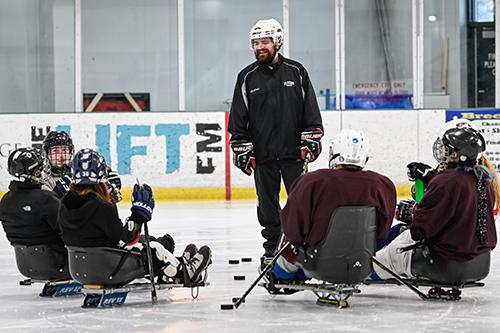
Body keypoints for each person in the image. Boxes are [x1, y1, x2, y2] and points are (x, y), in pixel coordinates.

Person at [228, 18, 324, 265]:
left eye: (265, 41)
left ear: (277, 42)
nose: (260, 46)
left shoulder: (297, 71)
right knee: (267, 207)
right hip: (263, 156)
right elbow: (239, 117)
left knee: (300, 203)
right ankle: (272, 248)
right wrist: (240, 146)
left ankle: (302, 246)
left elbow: (310, 111)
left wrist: (312, 136)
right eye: (256, 42)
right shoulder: (247, 77)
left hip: (294, 156)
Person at [264, 129, 396, 292]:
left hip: (318, 263)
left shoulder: (311, 181)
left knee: (290, 237)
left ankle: (282, 275)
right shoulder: (383, 184)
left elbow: (293, 229)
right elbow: (382, 233)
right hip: (361, 264)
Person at [58, 148, 212, 286]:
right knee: (155, 248)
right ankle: (184, 271)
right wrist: (139, 215)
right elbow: (127, 239)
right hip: (107, 269)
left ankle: (174, 263)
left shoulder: (64, 203)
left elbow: (93, 232)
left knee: (148, 241)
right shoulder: (101, 206)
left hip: (79, 269)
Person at [373, 127, 497, 280]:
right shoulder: (484, 180)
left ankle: (365, 273)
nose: (442, 151)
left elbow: (419, 231)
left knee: (385, 257)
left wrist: (414, 212)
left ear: (458, 154)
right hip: (480, 263)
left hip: (447, 264)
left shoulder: (446, 180)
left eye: (447, 148)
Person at [0, 147, 69, 279]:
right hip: (58, 265)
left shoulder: (5, 200)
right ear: (35, 172)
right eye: (41, 169)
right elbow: (69, 230)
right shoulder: (46, 199)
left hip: (26, 267)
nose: (44, 171)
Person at [42, 130, 122, 202]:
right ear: (47, 154)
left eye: (64, 150)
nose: (61, 155)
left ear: (70, 152)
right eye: (55, 151)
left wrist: (107, 191)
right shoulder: (43, 178)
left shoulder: (80, 169)